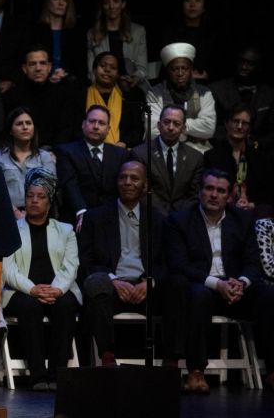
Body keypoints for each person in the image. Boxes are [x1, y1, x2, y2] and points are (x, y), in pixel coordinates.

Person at [165, 168, 274, 392]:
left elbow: (253, 263)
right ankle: (196, 371)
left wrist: (241, 283)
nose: (214, 195)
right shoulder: (180, 220)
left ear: (230, 195)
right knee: (198, 295)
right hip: (204, 285)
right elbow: (179, 265)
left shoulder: (242, 219)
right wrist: (218, 284)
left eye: (221, 190)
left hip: (235, 286)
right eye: (209, 189)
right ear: (200, 192)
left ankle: (272, 371)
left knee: (268, 294)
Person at [79, 161, 187, 367]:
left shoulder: (159, 220)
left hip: (146, 289)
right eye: (123, 177)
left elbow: (168, 261)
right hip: (112, 289)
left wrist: (150, 282)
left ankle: (172, 362)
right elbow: (86, 261)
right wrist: (113, 281)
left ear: (145, 185)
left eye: (134, 178)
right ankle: (107, 357)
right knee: (96, 283)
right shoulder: (95, 217)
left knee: (179, 284)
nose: (127, 182)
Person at [1, 167, 81, 391]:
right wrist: (33, 289)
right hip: (22, 291)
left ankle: (56, 375)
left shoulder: (65, 231)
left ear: (49, 201)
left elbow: (71, 266)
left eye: (41, 197)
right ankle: (37, 376)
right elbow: (8, 269)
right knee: (29, 307)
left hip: (59, 290)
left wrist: (56, 290)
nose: (34, 201)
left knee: (65, 305)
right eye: (30, 196)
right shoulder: (12, 230)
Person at [56, 105, 131, 228]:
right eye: (92, 121)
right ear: (83, 124)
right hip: (76, 219)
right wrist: (81, 211)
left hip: (111, 220)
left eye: (101, 123)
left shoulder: (120, 154)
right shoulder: (67, 151)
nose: (96, 126)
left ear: (108, 129)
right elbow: (70, 184)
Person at [2, 45, 83, 149]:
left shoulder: (63, 94)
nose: (38, 68)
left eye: (43, 63)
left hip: (56, 154)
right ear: (24, 68)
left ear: (49, 67)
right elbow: (7, 131)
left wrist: (56, 153)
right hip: (20, 151)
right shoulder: (12, 96)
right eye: (32, 64)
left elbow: (66, 130)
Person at [203, 104, 273, 216]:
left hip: (255, 213)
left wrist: (252, 205)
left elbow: (267, 195)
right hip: (222, 213)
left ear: (249, 128)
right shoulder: (211, 156)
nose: (240, 126)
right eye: (236, 121)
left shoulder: (260, 158)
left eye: (245, 123)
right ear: (226, 124)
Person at [133, 104, 203, 215]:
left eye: (176, 124)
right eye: (166, 122)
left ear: (183, 128)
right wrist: (164, 215)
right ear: (159, 125)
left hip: (183, 220)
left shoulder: (195, 157)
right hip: (151, 217)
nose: (170, 127)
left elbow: (194, 194)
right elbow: (142, 191)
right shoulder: (140, 154)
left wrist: (178, 217)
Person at [147, 42, 216, 153]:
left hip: (197, 150)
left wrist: (174, 127)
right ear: (167, 71)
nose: (180, 73)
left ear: (191, 70)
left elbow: (208, 128)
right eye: (175, 69)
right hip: (162, 150)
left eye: (184, 68)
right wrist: (187, 134)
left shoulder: (204, 92)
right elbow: (152, 130)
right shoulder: (154, 93)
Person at [0, 106, 55, 219]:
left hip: (40, 216)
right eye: (19, 124)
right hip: (6, 215)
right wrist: (16, 213)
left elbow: (49, 189)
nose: (25, 127)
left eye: (28, 123)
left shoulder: (45, 157)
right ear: (10, 130)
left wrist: (32, 213)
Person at [210, 47, 274, 147]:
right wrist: (235, 140)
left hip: (260, 150)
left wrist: (255, 144)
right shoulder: (217, 90)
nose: (244, 67)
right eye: (241, 62)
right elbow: (211, 126)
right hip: (223, 147)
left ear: (259, 67)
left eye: (250, 63)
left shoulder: (270, 94)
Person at [87, 0, 148, 91]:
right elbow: (91, 72)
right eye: (107, 2)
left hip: (132, 88)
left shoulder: (138, 31)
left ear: (123, 4)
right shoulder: (92, 34)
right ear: (102, 6)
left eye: (115, 1)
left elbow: (142, 68)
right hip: (103, 89)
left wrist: (134, 78)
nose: (111, 6)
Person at [84, 51, 145, 148]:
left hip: (121, 151)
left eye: (113, 68)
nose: (107, 70)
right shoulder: (82, 96)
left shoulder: (129, 98)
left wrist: (124, 143)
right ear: (94, 70)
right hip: (87, 151)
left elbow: (137, 131)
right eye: (103, 66)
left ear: (118, 74)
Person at [30, 0, 87, 83]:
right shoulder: (36, 31)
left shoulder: (75, 33)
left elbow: (81, 67)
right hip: (41, 84)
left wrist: (66, 76)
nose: (61, 3)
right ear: (48, 2)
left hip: (69, 84)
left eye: (65, 0)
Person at [162, 0, 218, 82]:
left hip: (205, 83)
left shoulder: (212, 34)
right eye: (188, 1)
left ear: (204, 6)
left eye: (197, 1)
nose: (192, 5)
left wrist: (207, 74)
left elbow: (217, 63)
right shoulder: (171, 32)